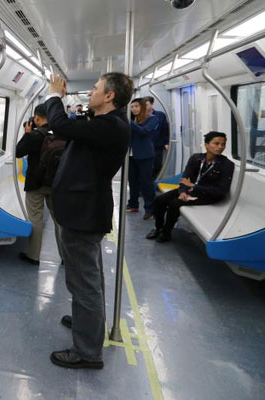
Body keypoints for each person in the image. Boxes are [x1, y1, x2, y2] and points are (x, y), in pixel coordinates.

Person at [44, 72, 133, 369]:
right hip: (82, 210)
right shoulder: (104, 124)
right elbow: (71, 128)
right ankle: (88, 322)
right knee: (87, 277)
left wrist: (55, 94)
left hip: (83, 214)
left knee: (84, 283)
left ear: (109, 96)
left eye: (95, 88)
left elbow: (59, 124)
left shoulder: (112, 126)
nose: (90, 92)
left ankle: (87, 351)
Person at [146, 131, 235, 242]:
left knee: (174, 204)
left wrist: (194, 186)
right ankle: (158, 227)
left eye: (223, 144)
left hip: (208, 195)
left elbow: (221, 191)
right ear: (207, 145)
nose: (220, 147)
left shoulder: (227, 165)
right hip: (190, 190)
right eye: (216, 143)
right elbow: (185, 178)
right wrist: (183, 192)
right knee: (160, 200)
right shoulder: (196, 158)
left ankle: (166, 232)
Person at [16, 104, 63, 264]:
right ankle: (65, 256)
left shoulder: (34, 136)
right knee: (59, 220)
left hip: (36, 183)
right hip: (56, 183)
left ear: (36, 118)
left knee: (36, 218)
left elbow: (18, 152)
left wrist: (27, 134)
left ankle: (33, 255)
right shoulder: (62, 133)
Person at [127, 98, 159, 220]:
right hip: (131, 155)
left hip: (145, 155)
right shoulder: (133, 119)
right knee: (133, 181)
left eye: (136, 106)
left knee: (146, 182)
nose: (134, 109)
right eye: (132, 106)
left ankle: (150, 208)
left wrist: (130, 123)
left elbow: (144, 131)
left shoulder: (152, 118)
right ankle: (133, 204)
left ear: (142, 107)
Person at [144, 96, 170, 178]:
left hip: (157, 146)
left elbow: (165, 129)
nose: (145, 106)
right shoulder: (141, 116)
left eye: (147, 104)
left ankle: (153, 184)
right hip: (144, 146)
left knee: (157, 166)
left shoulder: (160, 115)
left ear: (152, 104)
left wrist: (166, 142)